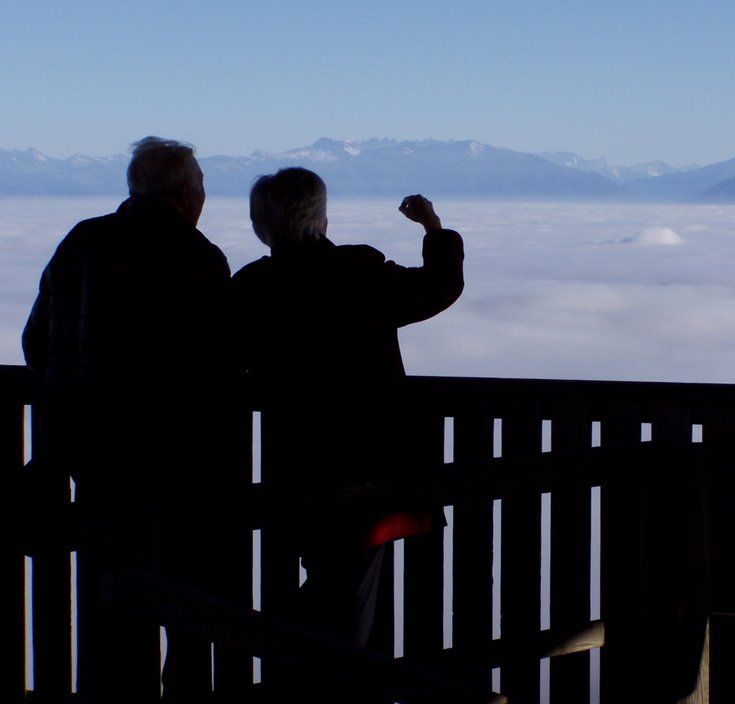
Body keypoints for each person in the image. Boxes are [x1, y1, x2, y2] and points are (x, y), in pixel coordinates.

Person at [23, 136, 236, 703]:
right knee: (188, 613)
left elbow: (37, 340)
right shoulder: (199, 258)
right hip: (179, 467)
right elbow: (219, 362)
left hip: (95, 463)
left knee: (110, 604)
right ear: (188, 194)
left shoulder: (83, 242)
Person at [230, 167, 464, 675]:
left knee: (330, 580)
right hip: (369, 466)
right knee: (351, 591)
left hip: (294, 463)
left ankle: (300, 665)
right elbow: (439, 287)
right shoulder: (360, 274)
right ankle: (344, 681)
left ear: (261, 224)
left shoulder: (251, 289)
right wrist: (433, 228)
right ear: (321, 217)